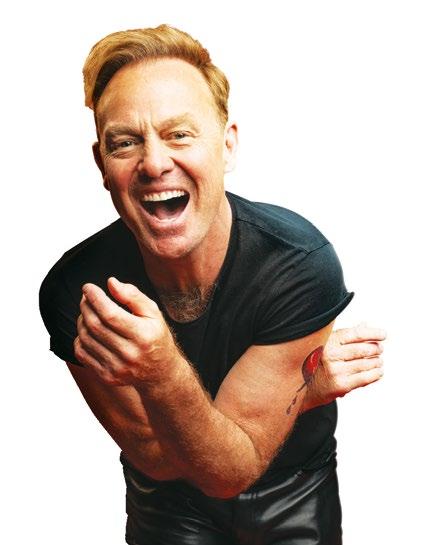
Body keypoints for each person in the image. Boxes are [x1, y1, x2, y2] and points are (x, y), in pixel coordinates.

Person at [39, 25, 386, 545]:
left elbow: (231, 470)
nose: (154, 163)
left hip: (292, 489)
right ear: (102, 165)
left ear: (227, 146)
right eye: (125, 142)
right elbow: (158, 459)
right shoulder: (75, 289)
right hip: (167, 504)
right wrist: (303, 390)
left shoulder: (297, 264)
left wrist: (160, 372)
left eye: (179, 134)